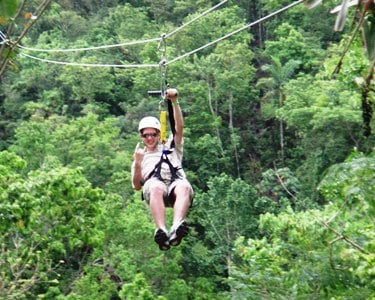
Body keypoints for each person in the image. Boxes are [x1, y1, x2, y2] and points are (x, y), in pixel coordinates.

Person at [131, 88, 194, 250]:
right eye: (146, 135)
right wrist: (138, 163)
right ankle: (161, 230)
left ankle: (176, 227)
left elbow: (179, 127)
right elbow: (137, 185)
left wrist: (174, 102)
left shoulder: (171, 146)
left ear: (159, 134)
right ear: (142, 137)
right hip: (155, 190)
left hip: (175, 186)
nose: (150, 138)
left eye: (153, 134)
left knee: (184, 186)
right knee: (157, 187)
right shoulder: (140, 156)